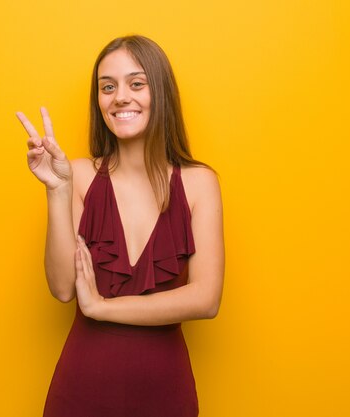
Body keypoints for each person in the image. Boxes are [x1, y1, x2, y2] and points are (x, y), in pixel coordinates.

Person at [16, 35, 224, 417]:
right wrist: (58, 190)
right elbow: (63, 288)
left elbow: (205, 300)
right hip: (80, 389)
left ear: (160, 91)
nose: (120, 97)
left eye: (136, 83)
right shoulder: (77, 175)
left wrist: (101, 307)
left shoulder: (199, 183)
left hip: (166, 392)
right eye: (107, 87)